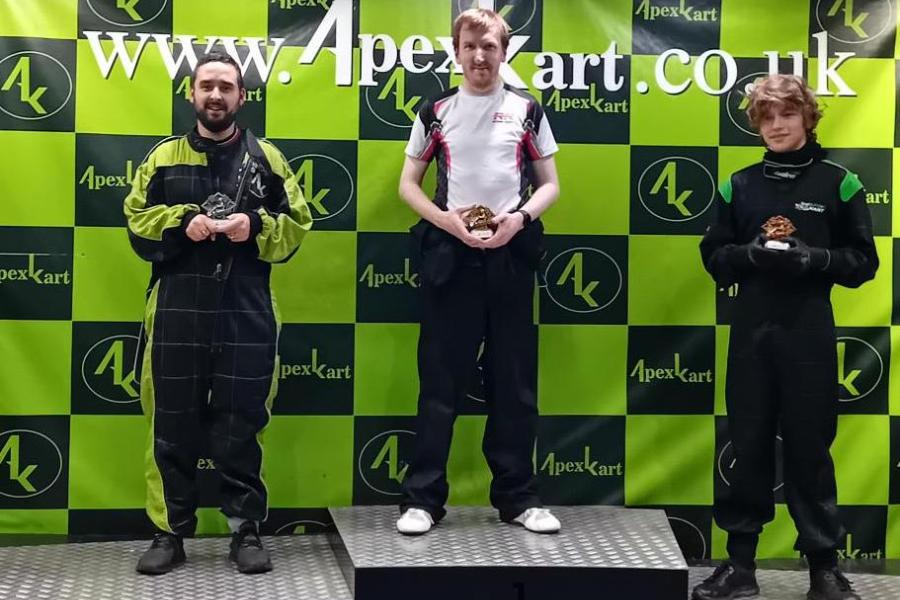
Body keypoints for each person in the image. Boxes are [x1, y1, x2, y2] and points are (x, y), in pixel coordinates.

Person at [124, 51, 312, 574]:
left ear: (242, 97)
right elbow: (136, 219)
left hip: (246, 309)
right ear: (191, 93)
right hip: (176, 310)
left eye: (226, 87)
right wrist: (182, 221)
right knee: (170, 423)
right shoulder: (162, 159)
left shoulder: (268, 159)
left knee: (241, 426)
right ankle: (169, 532)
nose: (215, 95)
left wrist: (256, 226)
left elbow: (297, 222)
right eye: (206, 85)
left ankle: (245, 531)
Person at [694, 74, 877, 600]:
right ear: (757, 123)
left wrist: (814, 259)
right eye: (767, 117)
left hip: (809, 337)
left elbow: (864, 263)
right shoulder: (739, 184)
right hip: (751, 334)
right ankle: (741, 567)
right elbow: (714, 257)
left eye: (787, 115)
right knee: (747, 446)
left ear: (808, 118)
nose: (776, 125)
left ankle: (823, 568)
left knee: (810, 450)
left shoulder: (840, 183)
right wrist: (748, 255)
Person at [395, 8, 561, 536]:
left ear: (504, 51)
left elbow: (550, 185)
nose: (480, 56)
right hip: (452, 259)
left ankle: (518, 499)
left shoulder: (528, 110)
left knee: (514, 385)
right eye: (470, 46)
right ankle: (422, 500)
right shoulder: (436, 110)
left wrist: (518, 220)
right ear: (457, 51)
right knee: (439, 383)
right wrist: (446, 221)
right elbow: (408, 185)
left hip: (510, 258)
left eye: (490, 46)